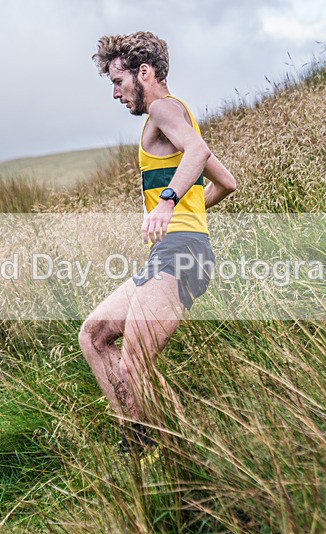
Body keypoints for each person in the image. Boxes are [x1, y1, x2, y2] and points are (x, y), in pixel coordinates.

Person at [79, 31, 237, 458]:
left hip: (181, 254)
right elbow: (226, 182)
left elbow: (197, 150)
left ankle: (185, 455)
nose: (115, 93)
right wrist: (184, 209)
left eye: (118, 81)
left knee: (136, 362)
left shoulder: (163, 108)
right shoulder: (172, 117)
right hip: (173, 250)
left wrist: (167, 203)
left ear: (143, 72)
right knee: (94, 335)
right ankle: (139, 439)